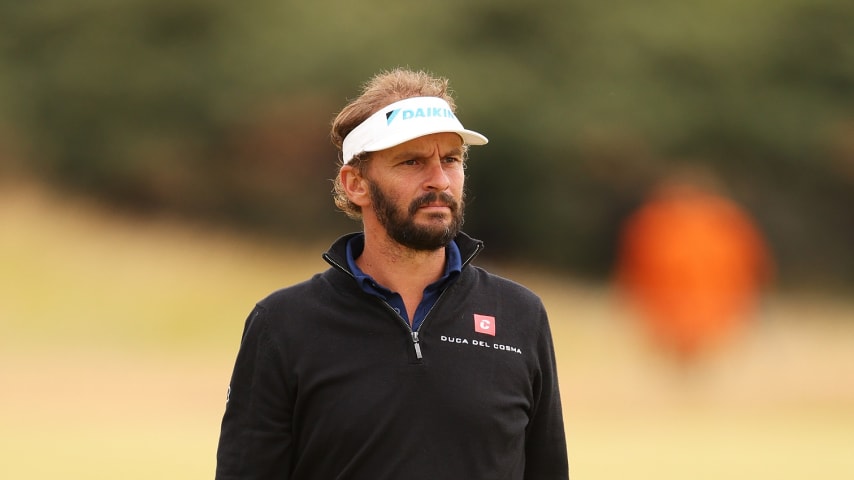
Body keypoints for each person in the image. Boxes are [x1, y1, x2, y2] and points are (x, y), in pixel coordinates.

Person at [215, 68, 569, 479]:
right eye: (412, 162)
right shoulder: (282, 324)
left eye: (451, 160)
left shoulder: (519, 315)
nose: (439, 180)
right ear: (356, 184)